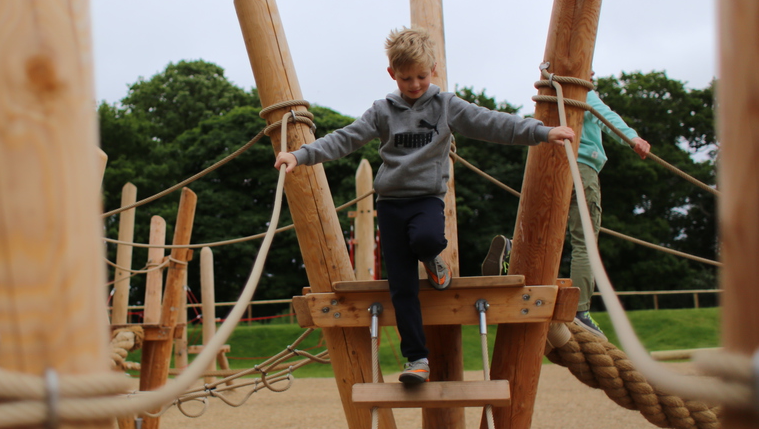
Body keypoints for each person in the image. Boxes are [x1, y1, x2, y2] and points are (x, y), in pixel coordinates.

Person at [274, 27, 574, 384]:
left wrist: (543, 131)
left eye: (421, 76)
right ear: (392, 75)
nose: (414, 84)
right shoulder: (383, 111)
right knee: (402, 286)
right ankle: (416, 359)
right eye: (405, 78)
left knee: (428, 239)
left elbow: (492, 122)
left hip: (427, 199)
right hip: (390, 203)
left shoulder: (445, 106)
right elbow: (347, 138)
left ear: (433, 69)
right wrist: (300, 155)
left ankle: (434, 260)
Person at [480, 86, 651, 339]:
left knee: (542, 230)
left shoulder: (548, 96)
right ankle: (580, 311)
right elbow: (607, 117)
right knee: (585, 241)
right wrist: (633, 138)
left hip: (547, 165)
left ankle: (511, 248)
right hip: (580, 167)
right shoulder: (582, 91)